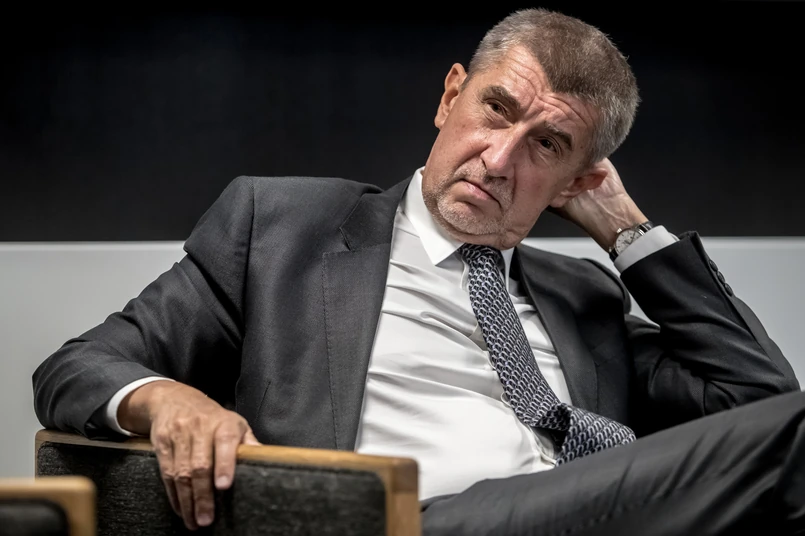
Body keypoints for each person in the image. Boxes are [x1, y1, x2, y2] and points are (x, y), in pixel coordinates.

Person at [32, 8, 804, 535]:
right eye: (496, 110)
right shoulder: (283, 228)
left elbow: (759, 403)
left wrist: (628, 232)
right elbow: (77, 367)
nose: (497, 159)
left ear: (577, 181)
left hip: (595, 505)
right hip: (415, 518)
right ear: (449, 96)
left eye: (545, 145)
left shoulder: (582, 295)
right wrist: (168, 400)